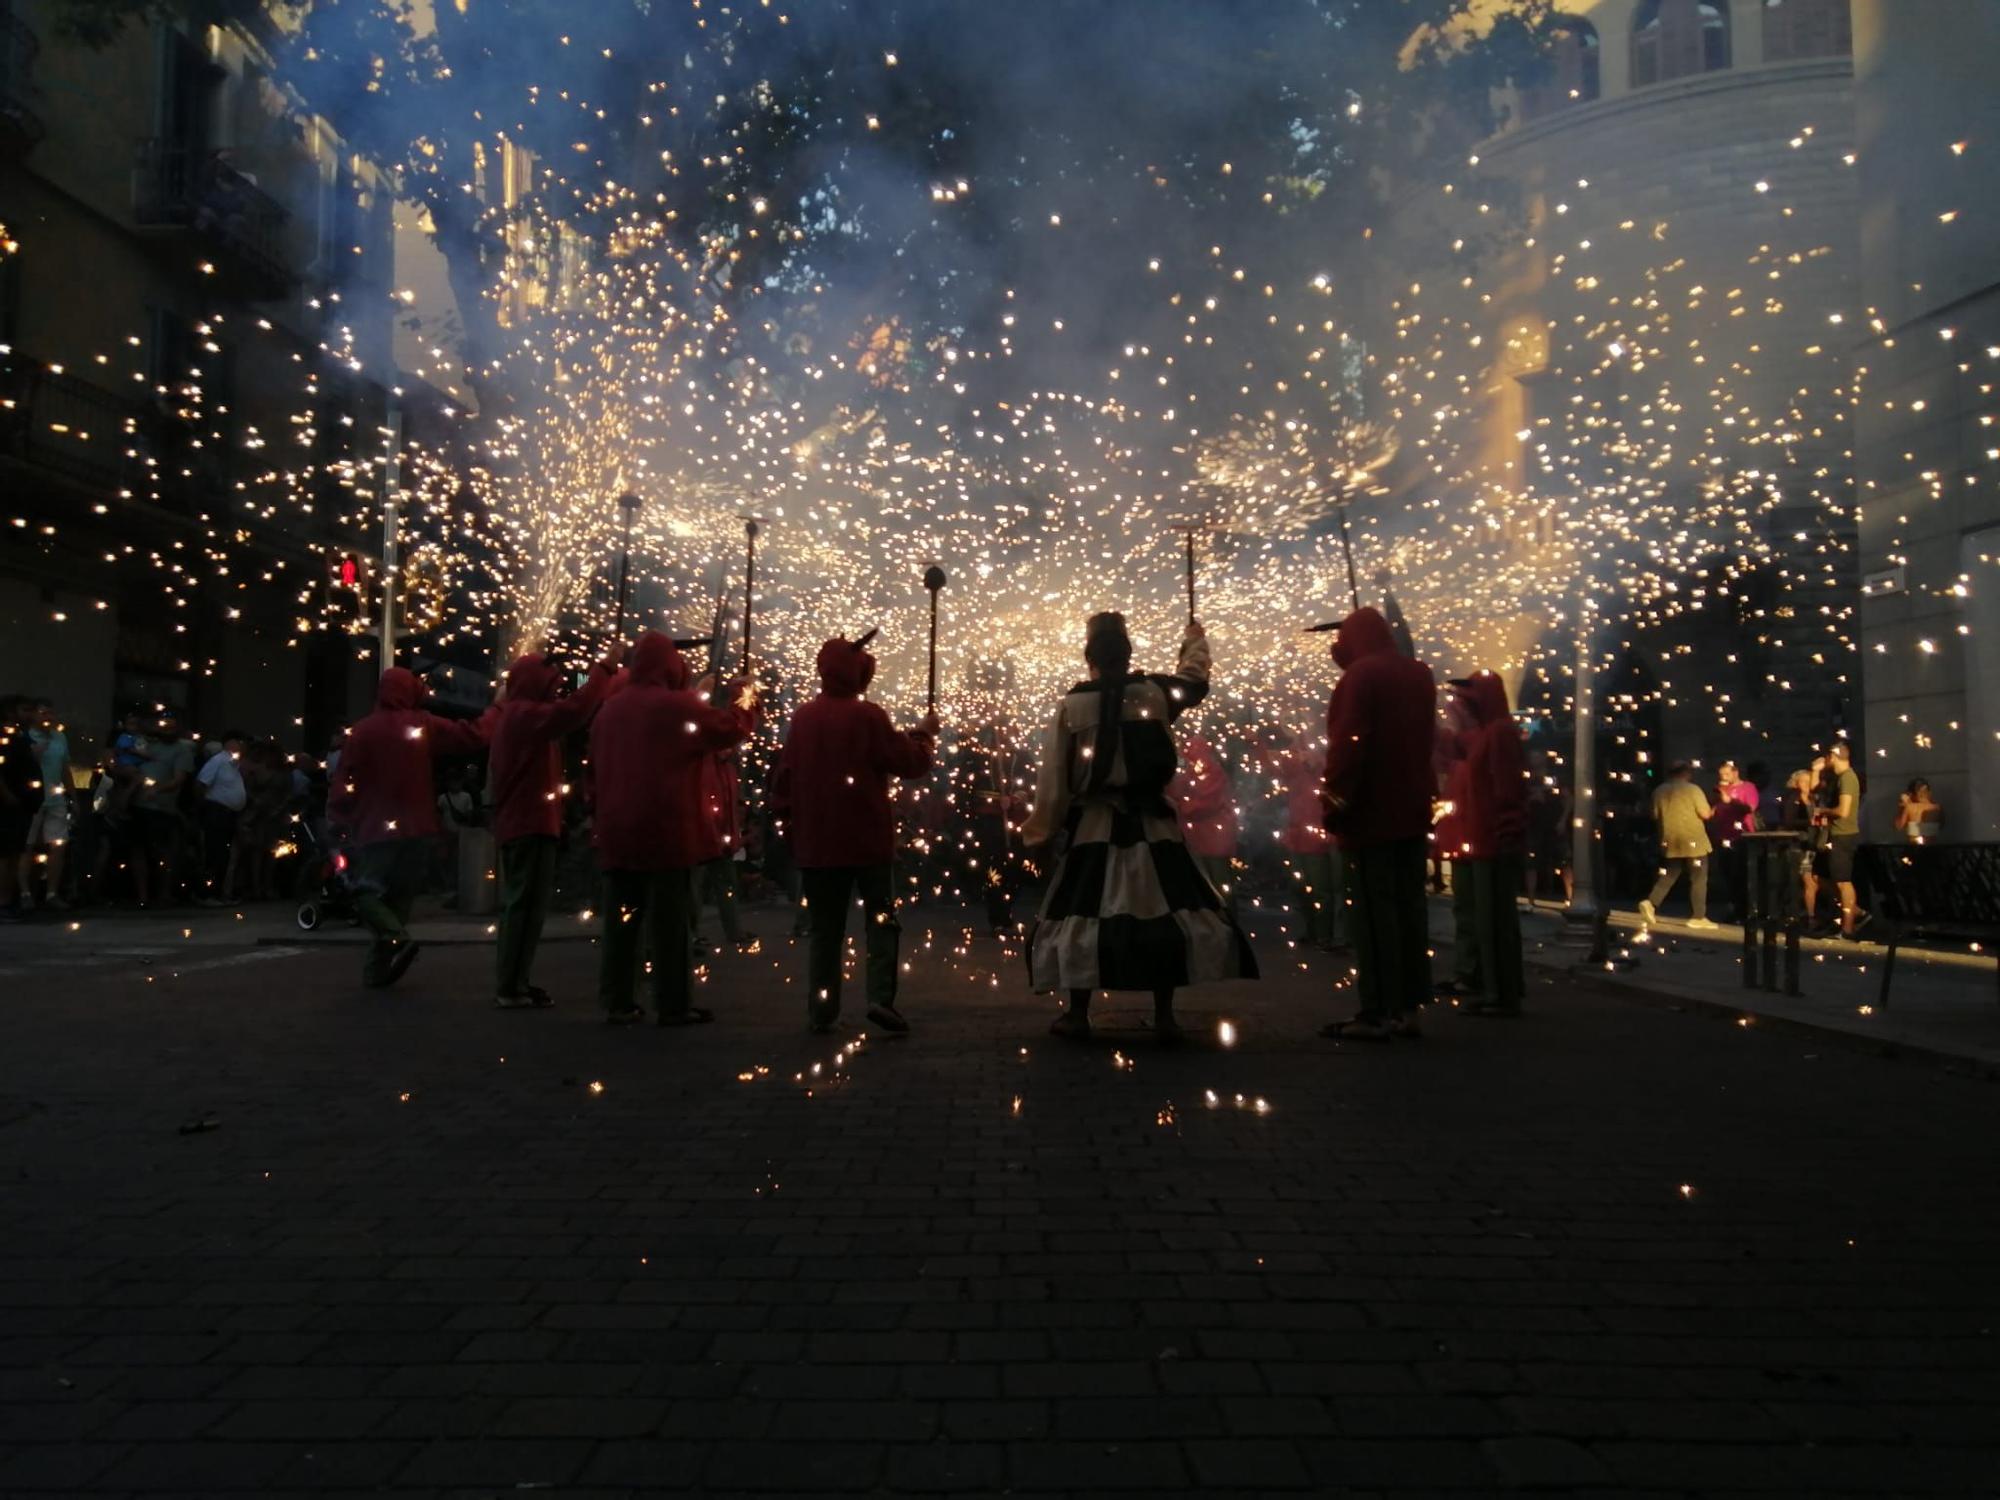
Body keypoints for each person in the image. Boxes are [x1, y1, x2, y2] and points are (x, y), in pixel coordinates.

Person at [1025, 614, 1255, 1043]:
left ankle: (1077, 1014)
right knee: (1160, 917)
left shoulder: (1072, 705)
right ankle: (1164, 1017)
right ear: (1128, 653)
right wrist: (1194, 642)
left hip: (1094, 829)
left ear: (1088, 656)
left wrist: (1039, 836)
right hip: (1154, 829)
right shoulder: (1154, 691)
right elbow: (1195, 681)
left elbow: (1054, 781)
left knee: (1083, 920)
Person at [772, 635, 937, 1035]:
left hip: (818, 845)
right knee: (881, 921)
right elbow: (909, 762)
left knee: (825, 931)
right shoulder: (868, 716)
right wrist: (924, 735)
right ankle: (880, 999)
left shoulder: (804, 718)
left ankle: (821, 1010)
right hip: (867, 842)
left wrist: (792, 832)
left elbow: (783, 781)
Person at [590, 632, 755, 1026]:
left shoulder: (608, 710)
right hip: (667, 830)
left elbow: (592, 775)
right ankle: (673, 1003)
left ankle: (619, 1001)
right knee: (671, 922)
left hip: (616, 830)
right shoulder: (677, 706)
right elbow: (732, 727)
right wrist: (745, 694)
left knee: (622, 922)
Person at [327, 668, 492, 987]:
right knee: (400, 897)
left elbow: (344, 780)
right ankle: (379, 964)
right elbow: (472, 735)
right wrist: (499, 709)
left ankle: (392, 940)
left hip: (376, 828)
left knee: (366, 891)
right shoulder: (422, 724)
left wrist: (337, 818)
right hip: (417, 828)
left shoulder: (362, 732)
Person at [1317, 606, 1437, 1042]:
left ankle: (1376, 1011)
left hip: (1370, 815)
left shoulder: (1360, 678)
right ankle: (1409, 1008)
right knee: (1410, 911)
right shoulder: (1419, 673)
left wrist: (1334, 805)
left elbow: (1348, 748)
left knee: (1372, 915)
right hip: (1413, 811)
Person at [487, 647, 618, 1009]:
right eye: (552, 680)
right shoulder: (525, 715)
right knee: (524, 906)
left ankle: (516, 982)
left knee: (529, 907)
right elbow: (575, 710)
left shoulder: (519, 714)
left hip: (529, 822)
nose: (558, 687)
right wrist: (604, 667)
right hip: (527, 823)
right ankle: (510, 984)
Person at [1453, 671, 1529, 1017]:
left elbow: (1507, 787)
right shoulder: (1489, 733)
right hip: (1484, 839)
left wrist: (1507, 832)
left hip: (1493, 840)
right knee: (1490, 920)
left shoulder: (1499, 733)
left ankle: (1502, 994)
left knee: (1496, 921)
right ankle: (1498, 989)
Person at [1275, 730, 1341, 951]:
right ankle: (1312, 929)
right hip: (1296, 835)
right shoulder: (1293, 770)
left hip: (1315, 835)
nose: (1297, 753)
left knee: (1320, 888)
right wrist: (1258, 745)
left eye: (1301, 748)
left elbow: (1328, 781)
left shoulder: (1323, 766)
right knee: (1300, 886)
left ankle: (1324, 934)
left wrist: (1313, 762)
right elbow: (1279, 768)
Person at [691, 733, 756, 955]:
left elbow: (730, 806)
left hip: (723, 839)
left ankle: (734, 931)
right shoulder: (706, 764)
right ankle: (691, 934)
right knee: (695, 888)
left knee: (726, 886)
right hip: (703, 838)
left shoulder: (727, 767)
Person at [1168, 726, 1239, 917]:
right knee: (1210, 884)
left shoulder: (1211, 771)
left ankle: (1226, 921)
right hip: (1202, 837)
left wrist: (1178, 805)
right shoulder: (1194, 770)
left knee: (1218, 883)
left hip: (1214, 838)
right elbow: (1177, 790)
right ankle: (1218, 920)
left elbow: (1205, 803)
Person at [1638, 762, 1716, 929]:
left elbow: (1653, 815)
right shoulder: (1693, 790)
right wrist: (1714, 809)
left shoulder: (1659, 791)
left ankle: (1651, 903)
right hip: (1694, 840)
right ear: (1686, 773)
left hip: (1670, 839)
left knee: (1670, 874)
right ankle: (1698, 916)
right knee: (1698, 877)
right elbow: (1705, 814)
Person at [132, 710, 195, 905]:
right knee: (138, 850)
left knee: (163, 852)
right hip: (139, 804)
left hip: (162, 808)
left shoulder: (182, 750)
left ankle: (163, 894)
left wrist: (157, 790)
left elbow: (178, 780)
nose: (167, 729)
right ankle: (142, 896)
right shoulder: (150, 745)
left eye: (171, 726)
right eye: (164, 725)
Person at [20, 698, 72, 910]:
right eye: (43, 713)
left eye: (51, 714)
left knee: (58, 844)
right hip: (32, 799)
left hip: (56, 797)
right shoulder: (25, 737)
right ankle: (24, 893)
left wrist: (73, 797)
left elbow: (65, 768)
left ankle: (52, 893)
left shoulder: (59, 737)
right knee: (27, 845)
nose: (48, 718)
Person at [1820, 741, 1867, 938]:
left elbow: (1843, 810)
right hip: (1837, 834)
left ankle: (1848, 928)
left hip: (1844, 835)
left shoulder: (1847, 778)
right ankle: (1855, 912)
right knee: (1830, 879)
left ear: (1834, 756)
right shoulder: (1839, 778)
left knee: (1843, 882)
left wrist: (1824, 811)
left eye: (1828, 756)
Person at [193, 736, 248, 904]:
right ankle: (207, 894)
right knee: (214, 853)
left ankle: (219, 892)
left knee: (224, 854)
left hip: (228, 814)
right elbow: (201, 783)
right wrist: (203, 808)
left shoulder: (234, 765)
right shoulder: (218, 761)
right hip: (216, 812)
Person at [0, 695, 39, 919]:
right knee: (5, 855)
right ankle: (3, 901)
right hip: (8, 804)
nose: (31, 715)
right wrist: (7, 794)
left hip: (23, 803)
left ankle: (10, 898)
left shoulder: (21, 736)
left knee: (15, 853)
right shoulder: (5, 736)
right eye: (25, 710)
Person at [1710, 759, 1759, 922]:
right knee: (1727, 874)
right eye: (1721, 774)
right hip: (1723, 836)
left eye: (1726, 773)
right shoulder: (1721, 789)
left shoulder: (1747, 787)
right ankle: (1733, 908)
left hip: (1741, 836)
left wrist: (1730, 801)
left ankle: (1744, 910)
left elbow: (1750, 808)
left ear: (1735, 773)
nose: (1723, 777)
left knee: (1740, 874)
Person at [1895, 778, 1941, 842]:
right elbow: (1941, 826)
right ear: (1929, 793)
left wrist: (1902, 807)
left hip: (1914, 848)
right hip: (1934, 849)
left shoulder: (1910, 808)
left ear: (1912, 794)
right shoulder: (1938, 808)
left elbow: (1899, 826)